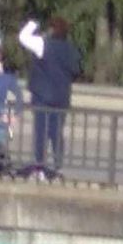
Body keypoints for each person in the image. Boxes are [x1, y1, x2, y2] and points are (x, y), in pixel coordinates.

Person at [18, 16, 83, 176]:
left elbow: (23, 37)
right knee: (56, 132)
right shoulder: (71, 49)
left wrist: (33, 23)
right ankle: (58, 165)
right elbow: (76, 70)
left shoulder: (42, 44)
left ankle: (40, 166)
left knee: (41, 131)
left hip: (42, 96)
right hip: (61, 97)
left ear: (51, 30)